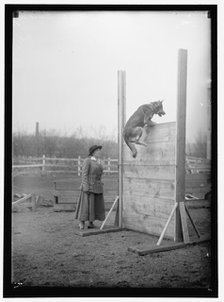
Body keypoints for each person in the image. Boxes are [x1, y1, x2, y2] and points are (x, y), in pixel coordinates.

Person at [75, 145, 105, 230]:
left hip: (97, 187)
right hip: (89, 186)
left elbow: (99, 174)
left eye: (100, 150)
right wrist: (86, 186)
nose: (100, 152)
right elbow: (84, 175)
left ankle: (91, 223)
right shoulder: (87, 161)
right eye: (98, 150)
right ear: (93, 152)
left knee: (94, 205)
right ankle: (81, 222)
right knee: (85, 206)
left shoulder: (98, 161)